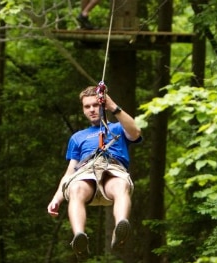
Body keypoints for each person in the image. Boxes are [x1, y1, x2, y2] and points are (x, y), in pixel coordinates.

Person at [47, 85, 141, 260]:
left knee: (121, 184)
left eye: (95, 105)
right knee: (75, 189)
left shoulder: (119, 128)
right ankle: (79, 238)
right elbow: (69, 173)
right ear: (83, 109)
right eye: (87, 106)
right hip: (86, 173)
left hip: (112, 170)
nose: (91, 110)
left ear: (102, 105)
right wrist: (56, 199)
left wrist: (113, 107)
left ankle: (120, 227)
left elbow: (135, 132)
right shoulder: (77, 138)